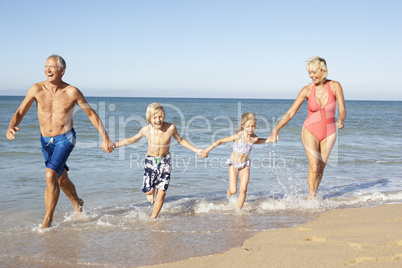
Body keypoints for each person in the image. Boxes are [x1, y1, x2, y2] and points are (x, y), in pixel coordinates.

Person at [5, 54, 114, 229]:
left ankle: (47, 221)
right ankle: (78, 203)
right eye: (46, 66)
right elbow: (20, 111)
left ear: (62, 71)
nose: (47, 70)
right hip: (45, 141)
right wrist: (11, 126)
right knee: (61, 179)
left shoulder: (72, 92)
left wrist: (105, 137)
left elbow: (91, 114)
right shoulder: (36, 89)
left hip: (66, 138)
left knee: (50, 175)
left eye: (52, 67)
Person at [267, 56, 346, 199]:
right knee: (314, 165)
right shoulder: (307, 90)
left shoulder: (335, 86)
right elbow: (290, 113)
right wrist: (276, 129)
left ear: (323, 71)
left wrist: (341, 119)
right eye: (309, 73)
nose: (311, 76)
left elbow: (343, 110)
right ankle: (312, 197)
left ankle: (313, 194)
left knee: (321, 167)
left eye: (314, 72)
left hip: (329, 132)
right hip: (310, 131)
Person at [113, 103, 206, 218]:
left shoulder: (170, 128)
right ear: (149, 118)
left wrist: (197, 150)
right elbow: (131, 140)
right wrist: (114, 145)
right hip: (150, 161)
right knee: (148, 191)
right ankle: (150, 192)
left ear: (164, 116)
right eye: (155, 117)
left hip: (165, 161)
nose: (158, 120)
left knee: (161, 193)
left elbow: (180, 140)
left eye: (160, 116)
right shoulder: (146, 130)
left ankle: (153, 218)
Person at [203, 112, 273, 209]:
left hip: (245, 165)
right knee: (233, 190)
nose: (250, 129)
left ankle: (239, 211)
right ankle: (229, 193)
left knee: (243, 189)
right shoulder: (238, 136)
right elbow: (220, 141)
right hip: (234, 164)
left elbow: (258, 141)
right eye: (248, 126)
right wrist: (207, 150)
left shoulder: (254, 138)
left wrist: (269, 140)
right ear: (243, 125)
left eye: (253, 126)